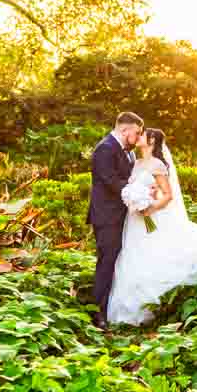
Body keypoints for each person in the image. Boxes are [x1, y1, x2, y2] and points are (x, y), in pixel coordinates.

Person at [106, 127, 197, 326]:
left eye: (143, 134)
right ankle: (135, 310)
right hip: (135, 220)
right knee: (133, 256)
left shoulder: (157, 164)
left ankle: (156, 306)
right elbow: (138, 188)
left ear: (151, 141)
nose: (139, 136)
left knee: (154, 255)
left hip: (150, 215)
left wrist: (150, 207)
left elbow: (168, 195)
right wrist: (135, 198)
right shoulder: (136, 163)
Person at [86, 112, 144, 330]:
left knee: (117, 261)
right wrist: (135, 192)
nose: (138, 138)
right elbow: (109, 180)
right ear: (124, 129)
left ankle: (110, 307)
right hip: (107, 216)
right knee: (106, 262)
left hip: (123, 216)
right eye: (136, 133)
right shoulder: (105, 148)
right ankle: (96, 312)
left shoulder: (128, 153)